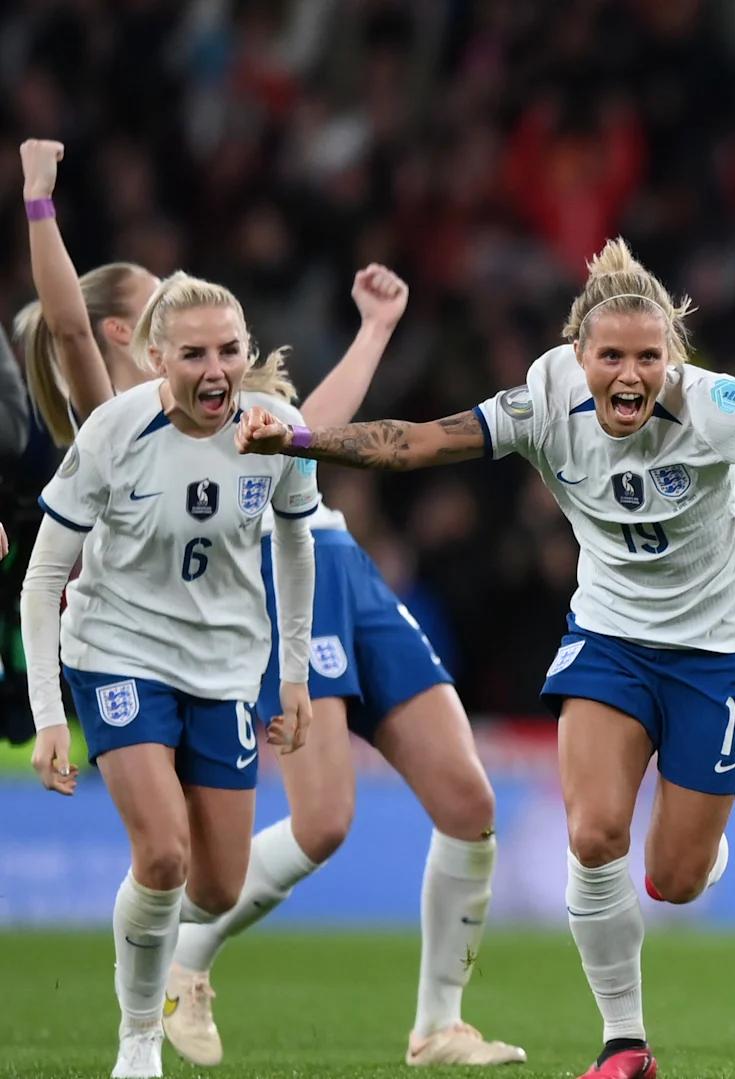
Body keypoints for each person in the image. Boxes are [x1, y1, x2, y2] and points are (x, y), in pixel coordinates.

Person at [234, 236, 735, 1079]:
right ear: (576, 352)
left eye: (648, 357)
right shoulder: (544, 396)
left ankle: (704, 835)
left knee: (677, 877)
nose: (629, 374)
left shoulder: (712, 405)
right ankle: (625, 1044)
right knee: (592, 834)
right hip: (613, 635)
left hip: (724, 648)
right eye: (610, 355)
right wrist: (298, 444)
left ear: (673, 358)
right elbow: (420, 443)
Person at [15, 138, 521, 1067]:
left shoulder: (253, 408)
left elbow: (308, 438)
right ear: (140, 338)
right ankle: (147, 1022)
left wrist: (372, 333)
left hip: (299, 583)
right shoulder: (116, 411)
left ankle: (433, 1019)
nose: (210, 348)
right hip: (153, 631)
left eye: (227, 343)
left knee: (255, 865)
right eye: (165, 308)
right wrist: (39, 201)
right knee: (247, 838)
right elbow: (70, 326)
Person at [19, 267, 318, 1079]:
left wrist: (292, 675)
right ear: (157, 358)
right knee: (162, 856)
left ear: (249, 351)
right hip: (117, 651)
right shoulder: (114, 431)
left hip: (223, 666)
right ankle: (139, 1041)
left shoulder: (277, 429)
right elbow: (44, 578)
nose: (215, 369)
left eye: (229, 349)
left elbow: (296, 542)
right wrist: (51, 714)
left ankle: (147, 936)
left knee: (216, 887)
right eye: (193, 354)